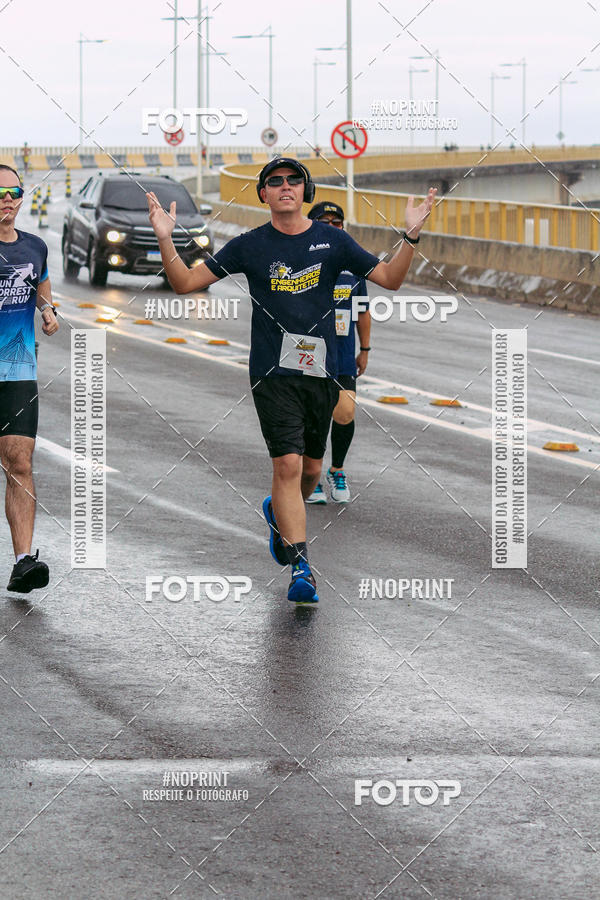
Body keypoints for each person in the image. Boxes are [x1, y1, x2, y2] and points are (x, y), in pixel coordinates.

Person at [147, 158, 435, 604]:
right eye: (275, 181)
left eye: (294, 180)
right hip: (272, 373)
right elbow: (185, 282)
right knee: (287, 465)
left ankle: (278, 513)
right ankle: (301, 567)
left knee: (312, 470)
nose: (285, 186)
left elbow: (391, 279)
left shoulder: (333, 241)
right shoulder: (249, 245)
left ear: (306, 191)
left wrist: (410, 236)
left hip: (322, 372)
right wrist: (165, 237)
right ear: (263, 194)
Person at [0, 164, 58, 592]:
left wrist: (48, 310)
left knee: (19, 461)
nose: (7, 199)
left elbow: (41, 284)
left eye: (14, 191)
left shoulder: (35, 246)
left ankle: (23, 562)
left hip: (17, 370)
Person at [305, 201, 370, 504]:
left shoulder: (352, 264)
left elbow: (363, 310)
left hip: (342, 352)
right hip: (308, 351)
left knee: (344, 412)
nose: (332, 228)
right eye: (325, 222)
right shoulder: (301, 259)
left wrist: (365, 349)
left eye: (337, 223)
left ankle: (337, 470)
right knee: (312, 415)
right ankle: (312, 476)